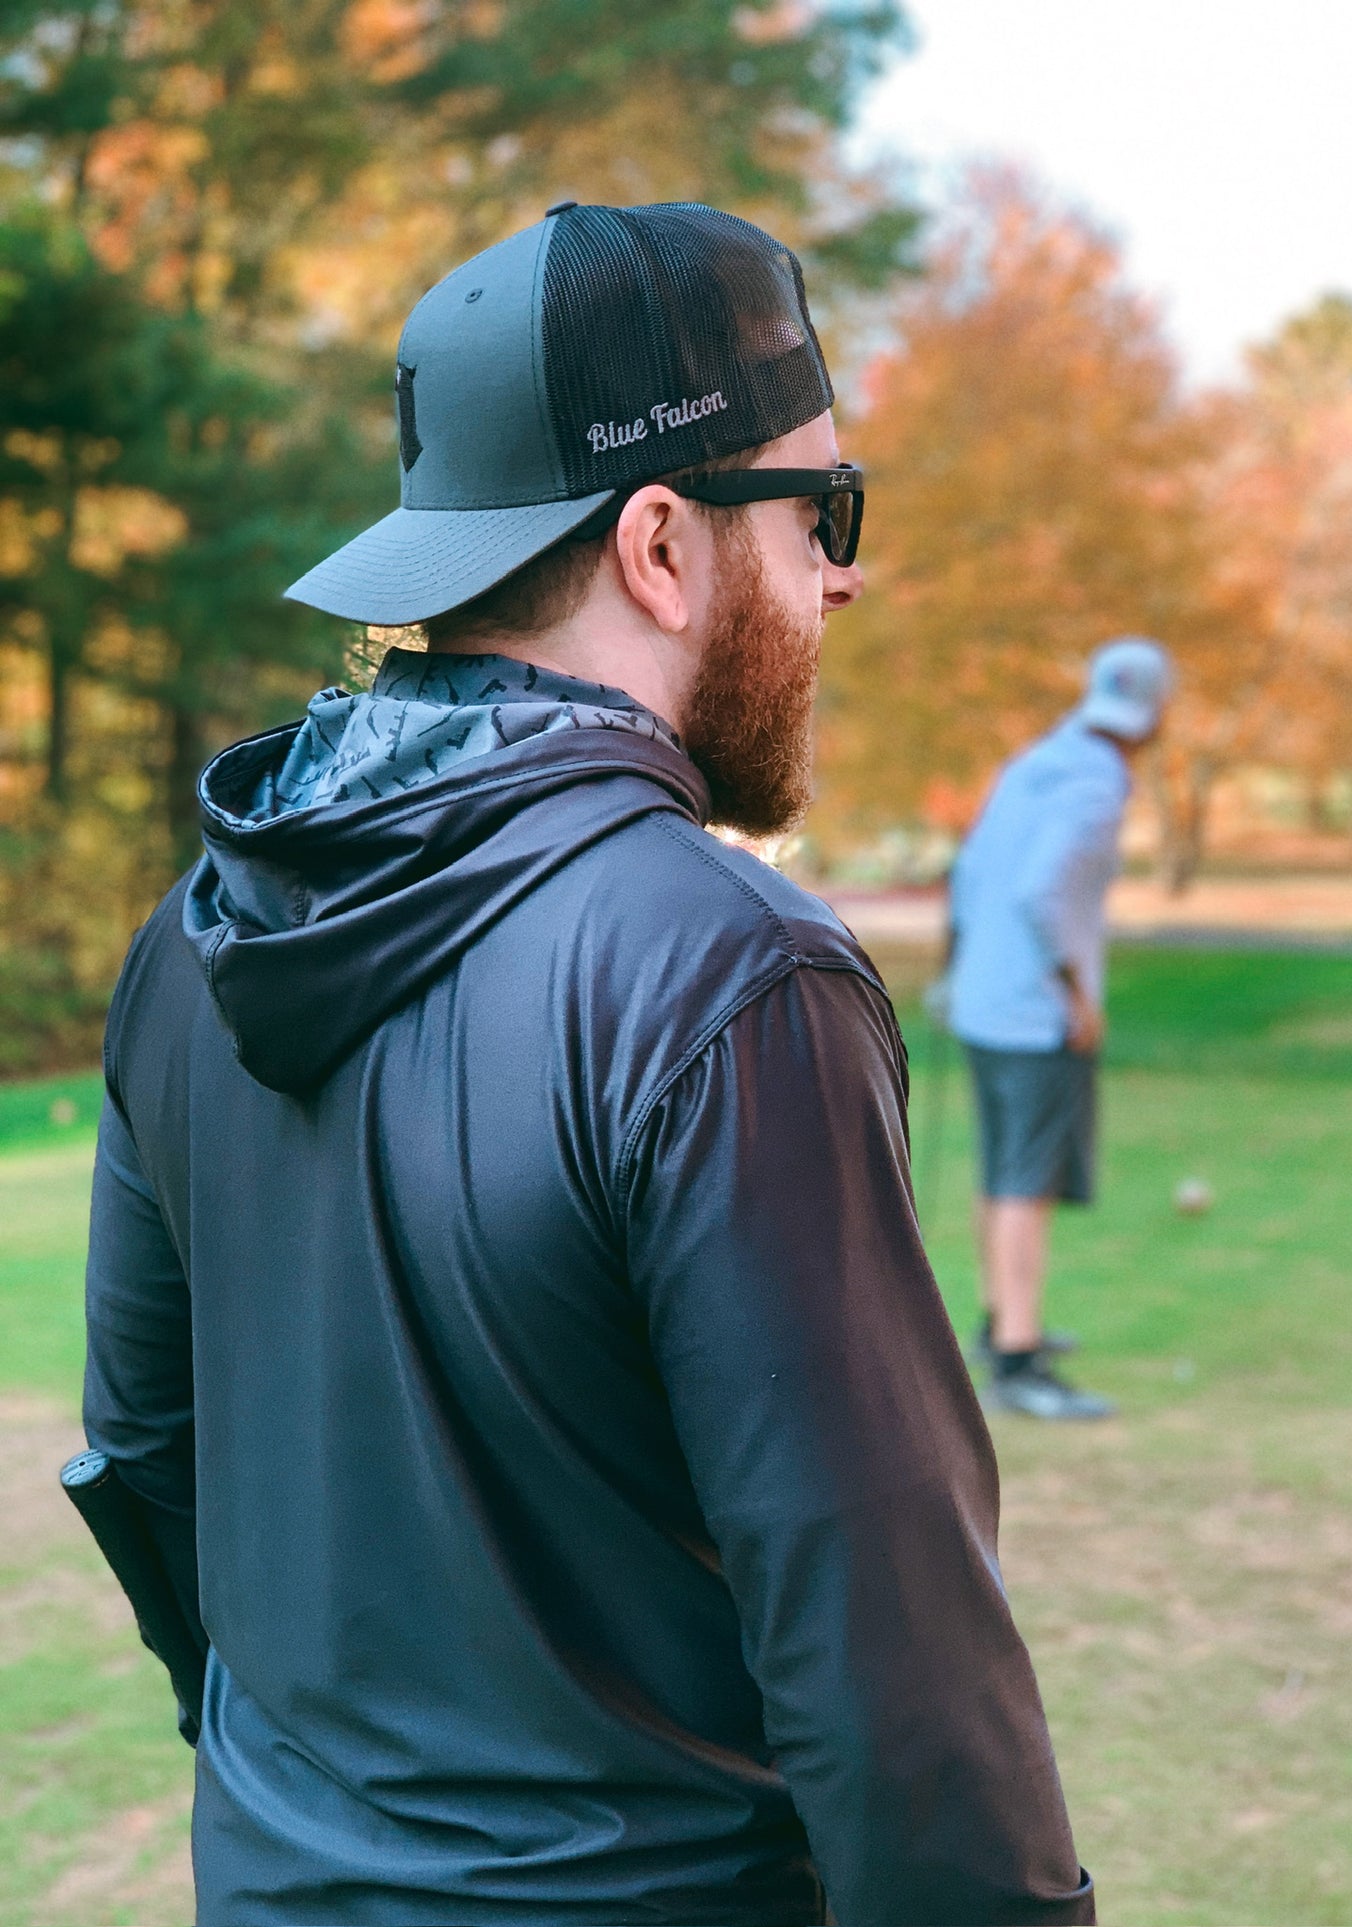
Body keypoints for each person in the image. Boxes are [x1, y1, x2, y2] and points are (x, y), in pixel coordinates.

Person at [83, 201, 1094, 1926]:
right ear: (659, 544)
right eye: (822, 507)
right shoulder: (732, 974)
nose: (843, 570)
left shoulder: (192, 944)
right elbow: (890, 1650)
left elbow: (147, 1464)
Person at [945, 638, 1173, 1422]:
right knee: (1025, 1182)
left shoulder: (1038, 758)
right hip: (1033, 1010)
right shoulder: (1100, 781)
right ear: (1153, 714)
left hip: (983, 997)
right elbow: (1042, 893)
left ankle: (996, 1321)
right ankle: (1018, 1356)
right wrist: (1077, 993)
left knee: (1002, 1168)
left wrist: (964, 968)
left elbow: (972, 874)